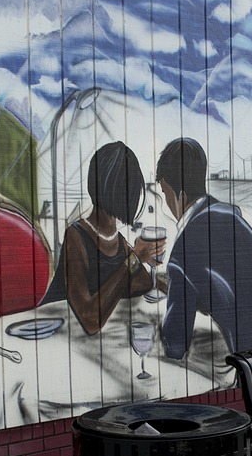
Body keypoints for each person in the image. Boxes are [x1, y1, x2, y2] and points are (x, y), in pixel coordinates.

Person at [156, 138, 252, 358]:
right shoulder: (231, 215)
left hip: (240, 361)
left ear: (179, 195)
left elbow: (176, 343)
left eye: (165, 194)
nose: (166, 203)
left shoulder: (184, 249)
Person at [40, 142, 162, 335]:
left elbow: (144, 285)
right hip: (52, 334)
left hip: (85, 341)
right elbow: (90, 320)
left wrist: (141, 260)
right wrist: (134, 260)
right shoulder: (76, 236)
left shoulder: (119, 240)